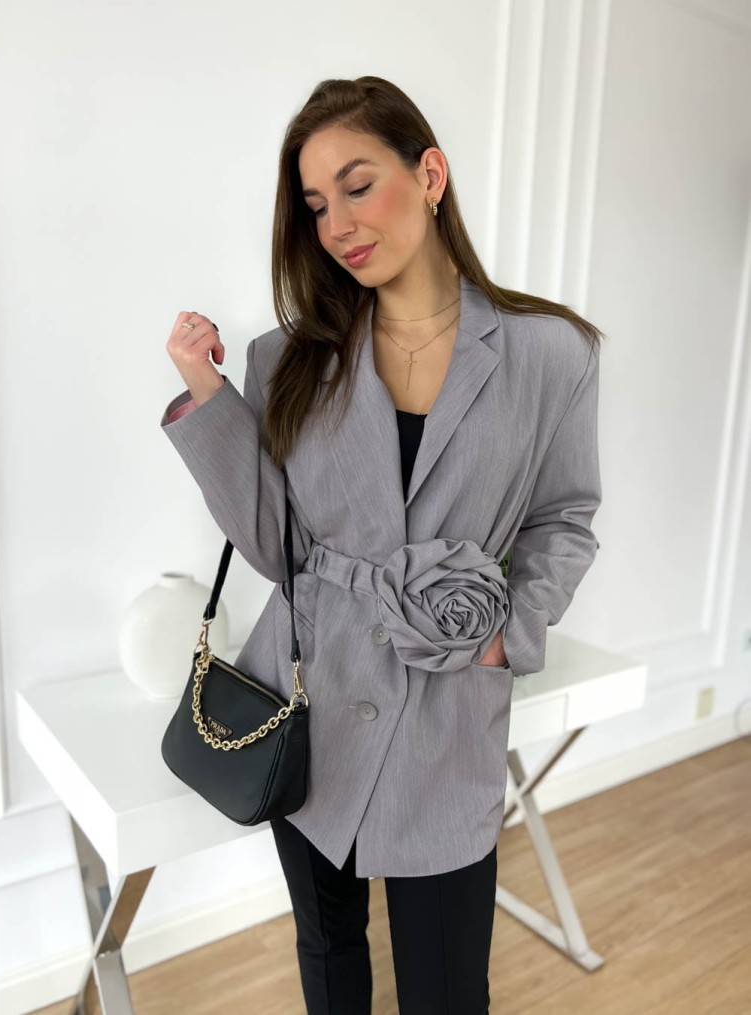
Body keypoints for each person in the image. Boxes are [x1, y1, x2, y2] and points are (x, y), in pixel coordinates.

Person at [161, 75, 603, 1014]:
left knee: (446, 987)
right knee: (329, 957)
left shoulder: (550, 353)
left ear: (429, 174)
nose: (337, 225)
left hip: (446, 703)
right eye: (317, 205)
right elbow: (275, 549)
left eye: (357, 186)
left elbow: (563, 516)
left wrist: (507, 636)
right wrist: (206, 393)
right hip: (308, 696)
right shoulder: (287, 358)